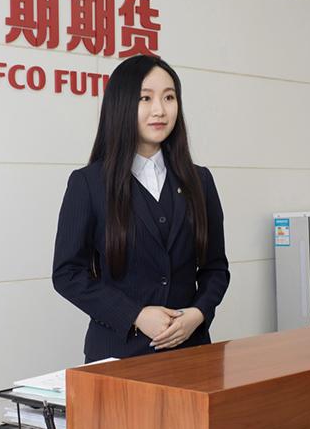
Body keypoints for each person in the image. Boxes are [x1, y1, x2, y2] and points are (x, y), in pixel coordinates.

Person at [52, 55, 230, 362]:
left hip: (191, 352)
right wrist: (134, 314)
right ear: (121, 104)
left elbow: (215, 268)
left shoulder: (200, 180)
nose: (160, 110)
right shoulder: (89, 183)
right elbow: (67, 274)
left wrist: (198, 313)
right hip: (118, 356)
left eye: (169, 97)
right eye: (145, 98)